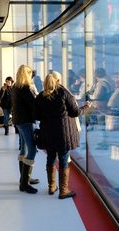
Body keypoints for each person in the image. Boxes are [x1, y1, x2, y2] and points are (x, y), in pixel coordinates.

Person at [35, 71, 91, 199]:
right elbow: (75, 112)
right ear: (59, 81)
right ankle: (63, 190)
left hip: (47, 133)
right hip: (63, 134)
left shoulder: (41, 96)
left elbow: (36, 115)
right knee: (64, 160)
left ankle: (51, 187)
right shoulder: (64, 93)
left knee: (50, 157)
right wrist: (86, 107)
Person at [11, 65, 40, 193]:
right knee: (32, 150)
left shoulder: (15, 87)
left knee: (23, 149)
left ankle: (24, 178)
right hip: (26, 121)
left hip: (18, 121)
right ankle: (24, 183)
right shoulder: (25, 88)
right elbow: (34, 104)